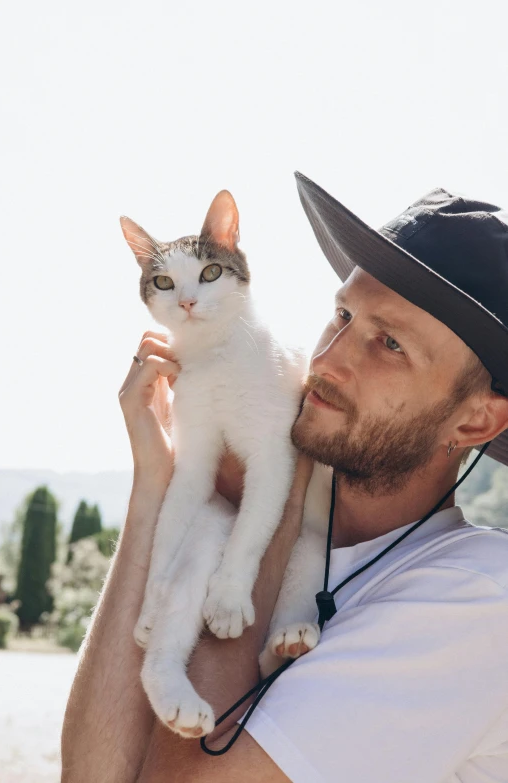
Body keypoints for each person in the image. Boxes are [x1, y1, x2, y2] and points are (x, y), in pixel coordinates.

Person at [61, 174, 508, 783]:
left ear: (477, 419)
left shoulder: (478, 598)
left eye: (389, 343)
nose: (328, 360)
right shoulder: (288, 529)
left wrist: (279, 482)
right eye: (342, 314)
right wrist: (154, 487)